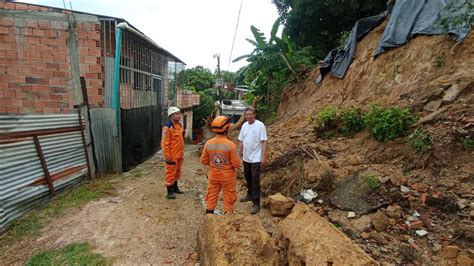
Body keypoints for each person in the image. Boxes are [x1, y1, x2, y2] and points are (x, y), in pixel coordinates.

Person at [201, 116, 241, 214]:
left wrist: (214, 164)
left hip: (213, 175)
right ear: (226, 128)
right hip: (227, 177)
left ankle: (209, 216)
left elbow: (204, 160)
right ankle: (227, 216)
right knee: (229, 196)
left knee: (212, 195)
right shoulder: (230, 145)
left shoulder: (208, 143)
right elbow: (237, 164)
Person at [238, 106, 267, 214]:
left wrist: (263, 157)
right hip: (246, 157)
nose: (249, 116)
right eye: (247, 115)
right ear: (245, 116)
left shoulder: (260, 125)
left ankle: (256, 203)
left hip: (256, 158)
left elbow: (264, 142)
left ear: (254, 115)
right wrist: (238, 154)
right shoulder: (244, 126)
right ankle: (249, 195)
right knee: (247, 177)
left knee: (255, 180)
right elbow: (241, 141)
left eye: (251, 114)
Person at [161, 106, 185, 200]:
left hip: (179, 154)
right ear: (171, 115)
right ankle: (169, 192)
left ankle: (175, 188)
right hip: (172, 155)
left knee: (177, 172)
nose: (179, 116)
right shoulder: (168, 127)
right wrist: (167, 157)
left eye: (179, 114)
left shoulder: (179, 125)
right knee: (171, 173)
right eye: (177, 114)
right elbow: (164, 144)